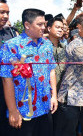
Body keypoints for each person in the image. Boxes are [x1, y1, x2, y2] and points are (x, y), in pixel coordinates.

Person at [0, 8, 58, 136]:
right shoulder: (11, 46)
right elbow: (6, 79)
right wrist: (13, 110)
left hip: (45, 106)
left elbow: (51, 70)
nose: (44, 27)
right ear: (27, 25)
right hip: (23, 110)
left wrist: (54, 96)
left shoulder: (47, 44)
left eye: (44, 24)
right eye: (39, 24)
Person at [0, 0, 18, 136]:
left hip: (8, 91)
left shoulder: (9, 34)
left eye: (7, 13)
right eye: (1, 12)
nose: (5, 16)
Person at [47, 17, 66, 91]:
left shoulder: (65, 48)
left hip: (62, 90)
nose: (60, 30)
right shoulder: (42, 47)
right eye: (57, 27)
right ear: (49, 29)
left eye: (62, 28)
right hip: (48, 90)